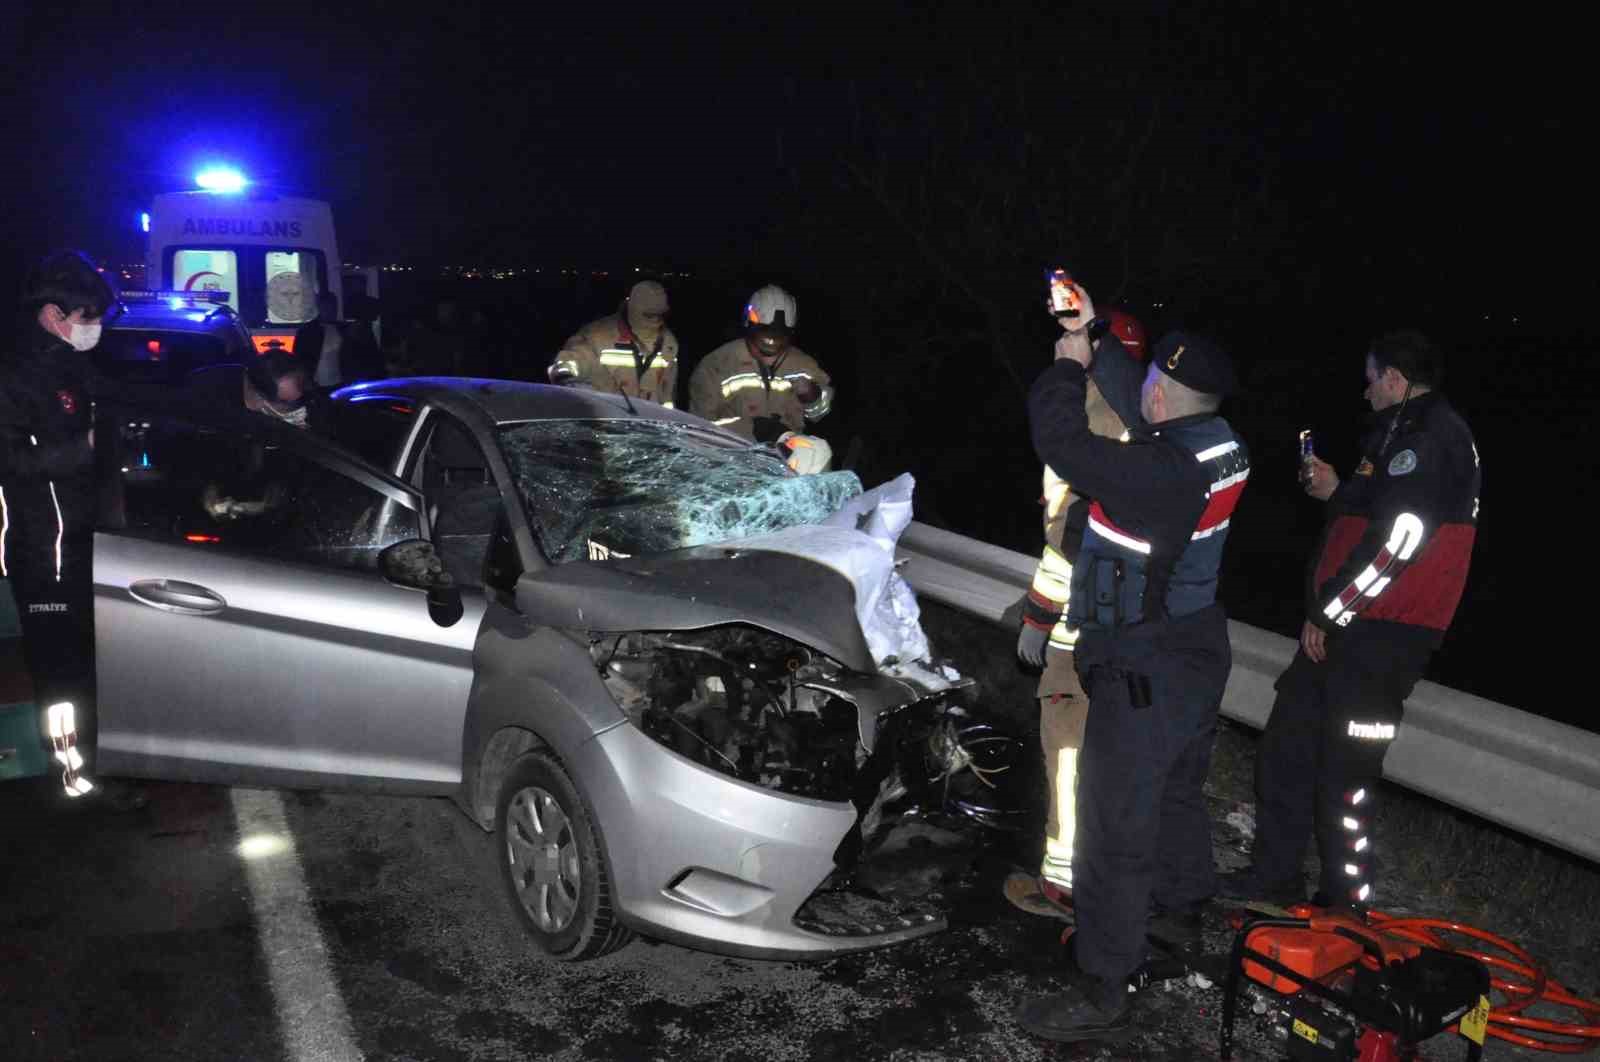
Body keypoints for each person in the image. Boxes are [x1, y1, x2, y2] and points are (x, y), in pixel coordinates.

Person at [1016, 281, 1250, 1043]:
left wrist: (1065, 365)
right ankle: (1181, 911)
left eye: (1149, 382)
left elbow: (1062, 443)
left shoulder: (1160, 473)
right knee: (1176, 793)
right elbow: (1144, 404)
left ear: (1163, 396)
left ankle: (1102, 985)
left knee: (1112, 824)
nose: (1139, 390)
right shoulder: (1217, 442)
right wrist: (1095, 336)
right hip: (1196, 643)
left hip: (1144, 660)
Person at [1221, 330, 1478, 910]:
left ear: (1394, 378)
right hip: (1346, 625)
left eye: (1371, 379)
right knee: (1287, 749)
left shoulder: (1432, 439)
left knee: (1346, 773)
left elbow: (1400, 541)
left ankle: (1344, 904)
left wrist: (1332, 611)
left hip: (1382, 634)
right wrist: (1337, 490)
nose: (1365, 392)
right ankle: (1274, 878)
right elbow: (1374, 515)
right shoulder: (1395, 434)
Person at [1005, 309, 1146, 920]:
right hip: (1132, 626)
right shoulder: (1150, 422)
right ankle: (1113, 874)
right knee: (1112, 758)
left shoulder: (1091, 422)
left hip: (1083, 626)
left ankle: (1063, 882)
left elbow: (1069, 538)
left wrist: (1039, 617)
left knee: (1066, 752)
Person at [0, 251, 142, 808]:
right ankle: (73, 777)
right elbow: (10, 461)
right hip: (45, 552)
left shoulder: (73, 367)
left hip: (88, 542)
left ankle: (101, 760)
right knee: (60, 676)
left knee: (88, 665)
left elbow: (116, 409)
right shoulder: (13, 374)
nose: (94, 326)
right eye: (87, 316)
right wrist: (80, 448)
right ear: (53, 314)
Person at [689, 285, 833, 443]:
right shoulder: (717, 365)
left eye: (780, 337)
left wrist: (813, 395)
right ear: (749, 325)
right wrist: (750, 429)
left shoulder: (803, 365)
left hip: (787, 450)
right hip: (732, 450)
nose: (771, 343)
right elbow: (699, 426)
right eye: (764, 334)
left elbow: (819, 414)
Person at [548, 280, 679, 406]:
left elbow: (667, 395)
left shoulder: (669, 344)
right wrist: (567, 379)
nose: (656, 320)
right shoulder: (597, 337)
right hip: (606, 417)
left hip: (647, 419)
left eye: (660, 315)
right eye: (649, 315)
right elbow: (569, 361)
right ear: (633, 309)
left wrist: (667, 416)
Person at [294, 291, 345, 389]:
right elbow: (299, 359)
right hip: (316, 385)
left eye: (334, 306)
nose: (331, 310)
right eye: (327, 307)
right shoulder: (307, 331)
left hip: (339, 383)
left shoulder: (342, 329)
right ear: (320, 307)